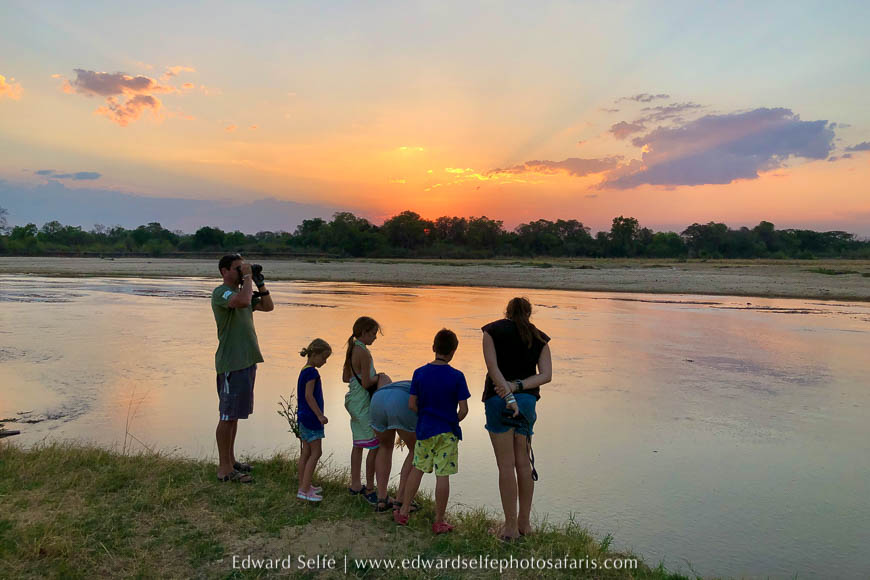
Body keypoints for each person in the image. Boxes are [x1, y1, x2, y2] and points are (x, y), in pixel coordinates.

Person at [482, 297, 552, 541]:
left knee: (505, 465)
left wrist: (508, 392)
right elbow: (546, 375)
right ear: (529, 313)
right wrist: (518, 387)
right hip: (526, 402)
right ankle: (525, 524)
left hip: (497, 400)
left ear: (507, 312)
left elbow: (493, 369)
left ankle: (510, 528)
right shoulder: (540, 338)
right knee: (523, 463)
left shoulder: (491, 331)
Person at [395, 329, 470, 534]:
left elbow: (412, 404)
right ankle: (439, 521)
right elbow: (463, 410)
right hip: (447, 432)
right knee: (443, 475)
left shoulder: (419, 373)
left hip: (425, 430)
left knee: (417, 469)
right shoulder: (457, 376)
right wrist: (451, 420)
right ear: (453, 351)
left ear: (433, 347)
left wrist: (425, 416)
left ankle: (403, 511)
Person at [211, 254, 274, 483]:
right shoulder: (222, 293)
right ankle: (224, 469)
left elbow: (268, 306)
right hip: (231, 363)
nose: (241, 271)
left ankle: (231, 460)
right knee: (227, 415)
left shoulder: (243, 292)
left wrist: (259, 283)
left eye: (242, 267)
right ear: (224, 271)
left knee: (234, 415)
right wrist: (247, 277)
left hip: (246, 361)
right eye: (237, 268)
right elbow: (243, 301)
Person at [342, 316, 391, 503]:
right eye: (373, 334)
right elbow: (366, 383)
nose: (375, 337)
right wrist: (379, 377)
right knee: (374, 444)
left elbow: (345, 378)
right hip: (362, 402)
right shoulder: (364, 352)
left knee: (358, 444)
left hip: (353, 400)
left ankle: (355, 484)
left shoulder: (352, 348)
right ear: (364, 332)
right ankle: (370, 489)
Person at [369, 380, 418, 513]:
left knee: (384, 447)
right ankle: (400, 500)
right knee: (416, 450)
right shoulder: (431, 389)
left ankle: (382, 499)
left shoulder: (414, 381)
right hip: (401, 400)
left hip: (378, 398)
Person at [296, 338, 331, 502]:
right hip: (311, 418)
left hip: (303, 417)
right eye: (324, 357)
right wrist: (319, 415)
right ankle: (304, 490)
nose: (325, 361)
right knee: (316, 452)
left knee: (306, 452)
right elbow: (309, 396)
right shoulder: (312, 373)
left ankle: (303, 484)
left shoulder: (304, 370)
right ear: (315, 354)